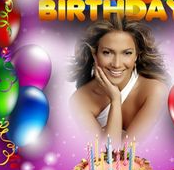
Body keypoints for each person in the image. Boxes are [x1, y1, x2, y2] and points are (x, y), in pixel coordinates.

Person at [69, 16, 168, 146]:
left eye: (126, 53)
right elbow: (107, 156)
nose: (116, 64)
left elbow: (126, 154)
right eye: (107, 53)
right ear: (95, 55)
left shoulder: (156, 91)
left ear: (136, 56)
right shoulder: (79, 100)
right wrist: (115, 100)